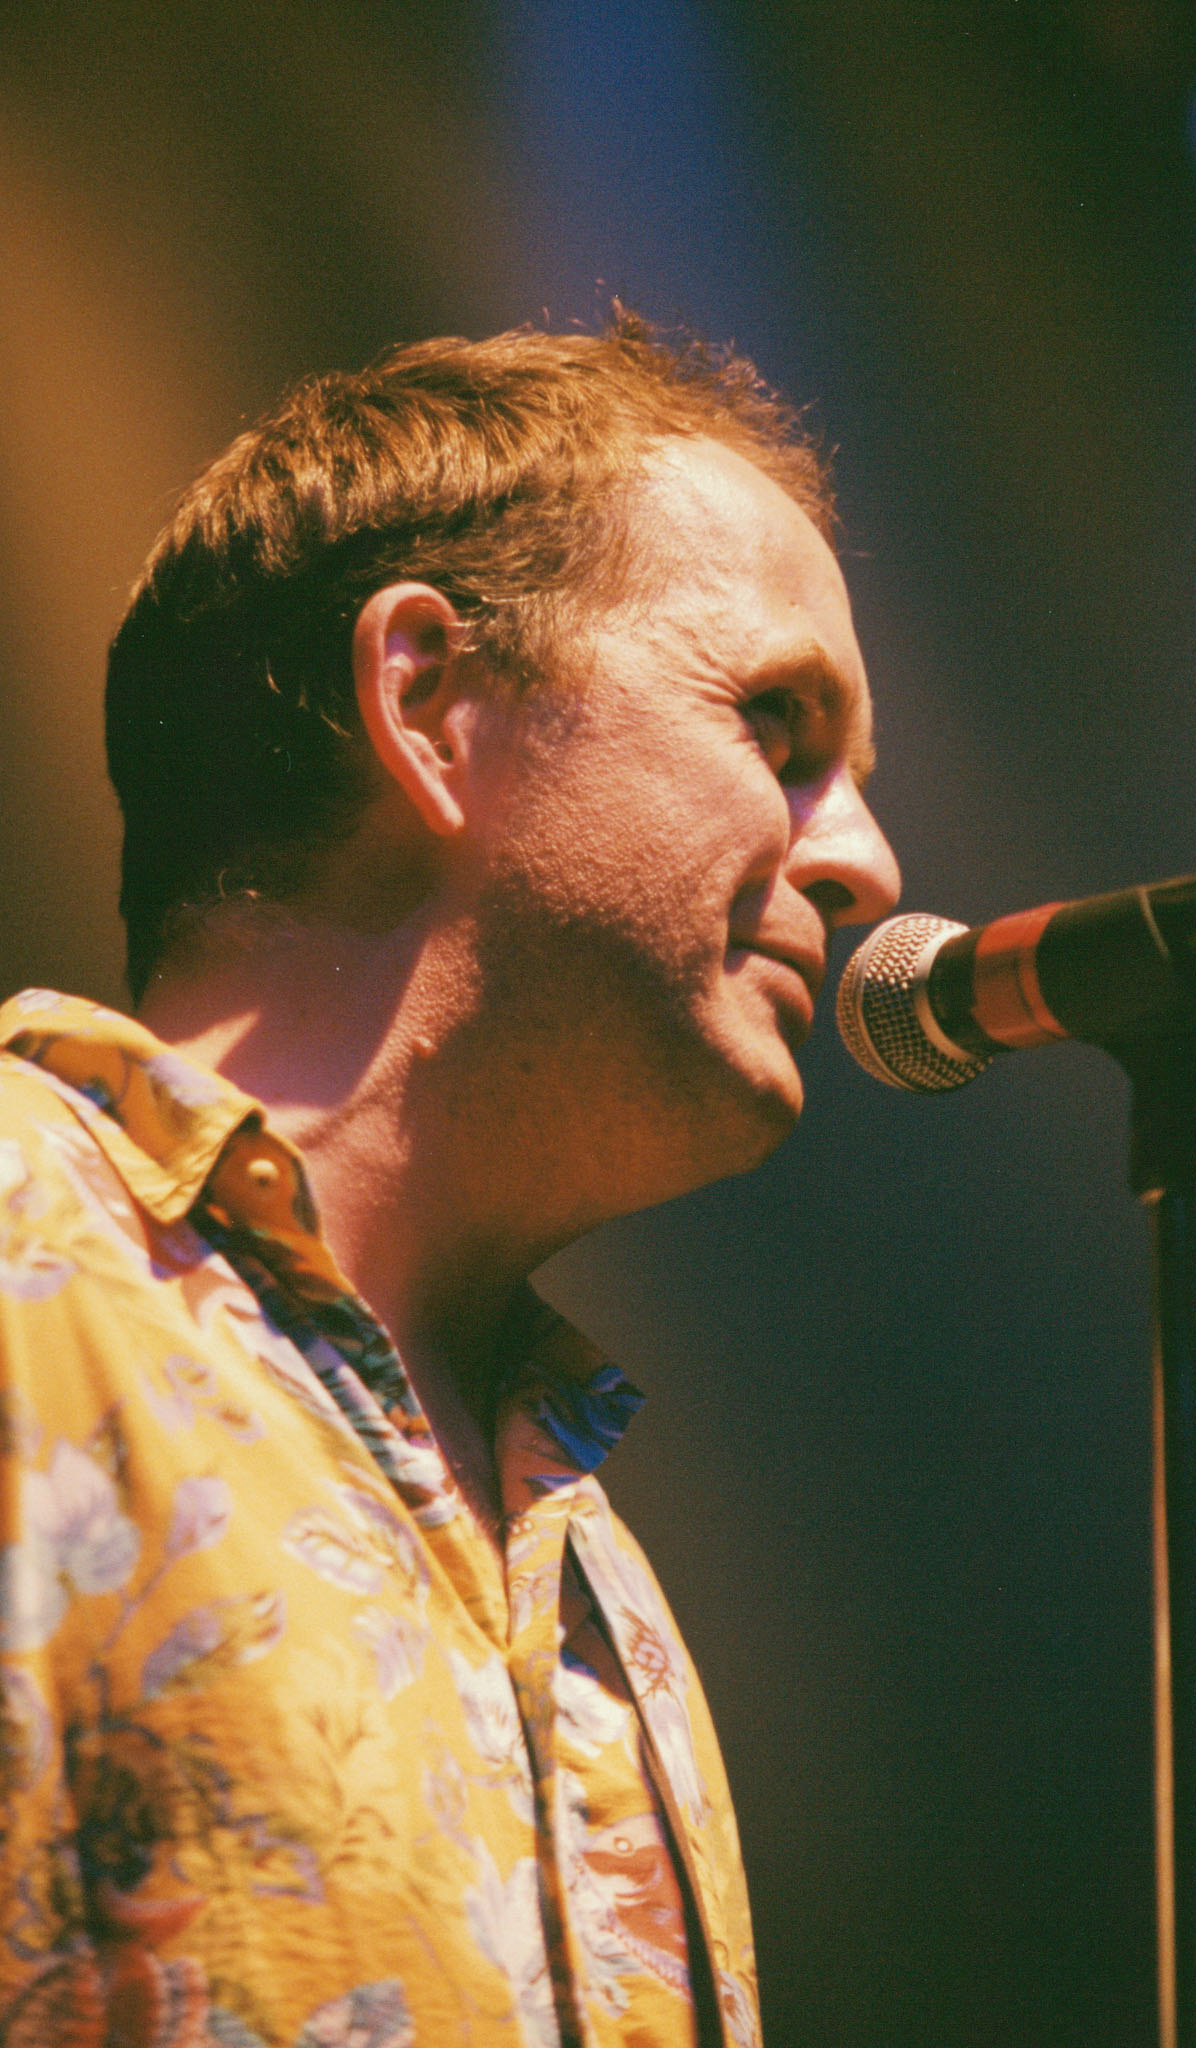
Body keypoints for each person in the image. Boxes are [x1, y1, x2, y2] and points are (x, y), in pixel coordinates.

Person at [0, 311, 899, 2048]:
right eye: (778, 725)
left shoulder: (594, 1573)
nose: (865, 863)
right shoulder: (27, 1269)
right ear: (424, 701)